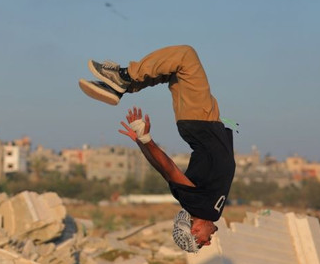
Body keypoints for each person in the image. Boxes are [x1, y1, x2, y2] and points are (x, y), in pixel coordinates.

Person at [78, 45, 235, 252]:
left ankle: (123, 77)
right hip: (208, 122)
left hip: (201, 122)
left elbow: (169, 169)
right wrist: (142, 142)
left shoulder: (197, 206)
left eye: (201, 242)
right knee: (172, 72)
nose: (208, 242)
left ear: (194, 230)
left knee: (185, 56)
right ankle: (120, 88)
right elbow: (163, 171)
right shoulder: (209, 210)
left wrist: (146, 140)